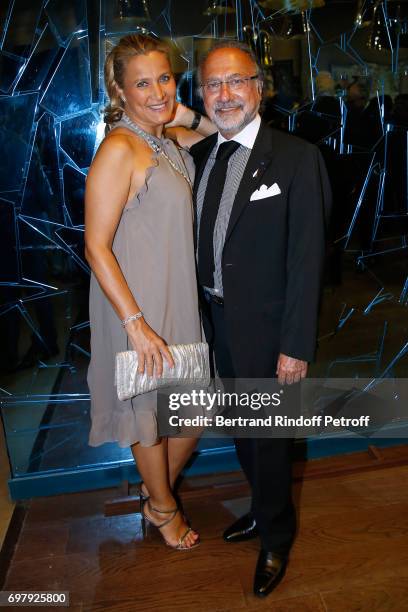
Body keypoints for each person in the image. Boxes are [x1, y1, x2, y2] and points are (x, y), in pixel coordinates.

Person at [190, 40, 331, 596]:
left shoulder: (296, 158)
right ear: (201, 94)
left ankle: (276, 535)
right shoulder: (199, 156)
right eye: (212, 85)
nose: (225, 95)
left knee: (269, 437)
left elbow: (306, 261)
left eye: (236, 81)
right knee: (243, 433)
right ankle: (261, 506)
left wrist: (295, 344)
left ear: (259, 87)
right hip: (213, 324)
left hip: (269, 329)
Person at [85, 34, 214, 550]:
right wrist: (135, 325)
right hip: (136, 306)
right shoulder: (120, 146)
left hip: (177, 297)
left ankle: (153, 491)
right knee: (151, 419)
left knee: (190, 415)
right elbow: (95, 247)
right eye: (142, 82)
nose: (157, 90)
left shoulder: (165, 139)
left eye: (165, 77)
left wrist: (181, 113)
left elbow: (224, 139)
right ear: (119, 88)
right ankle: (162, 506)